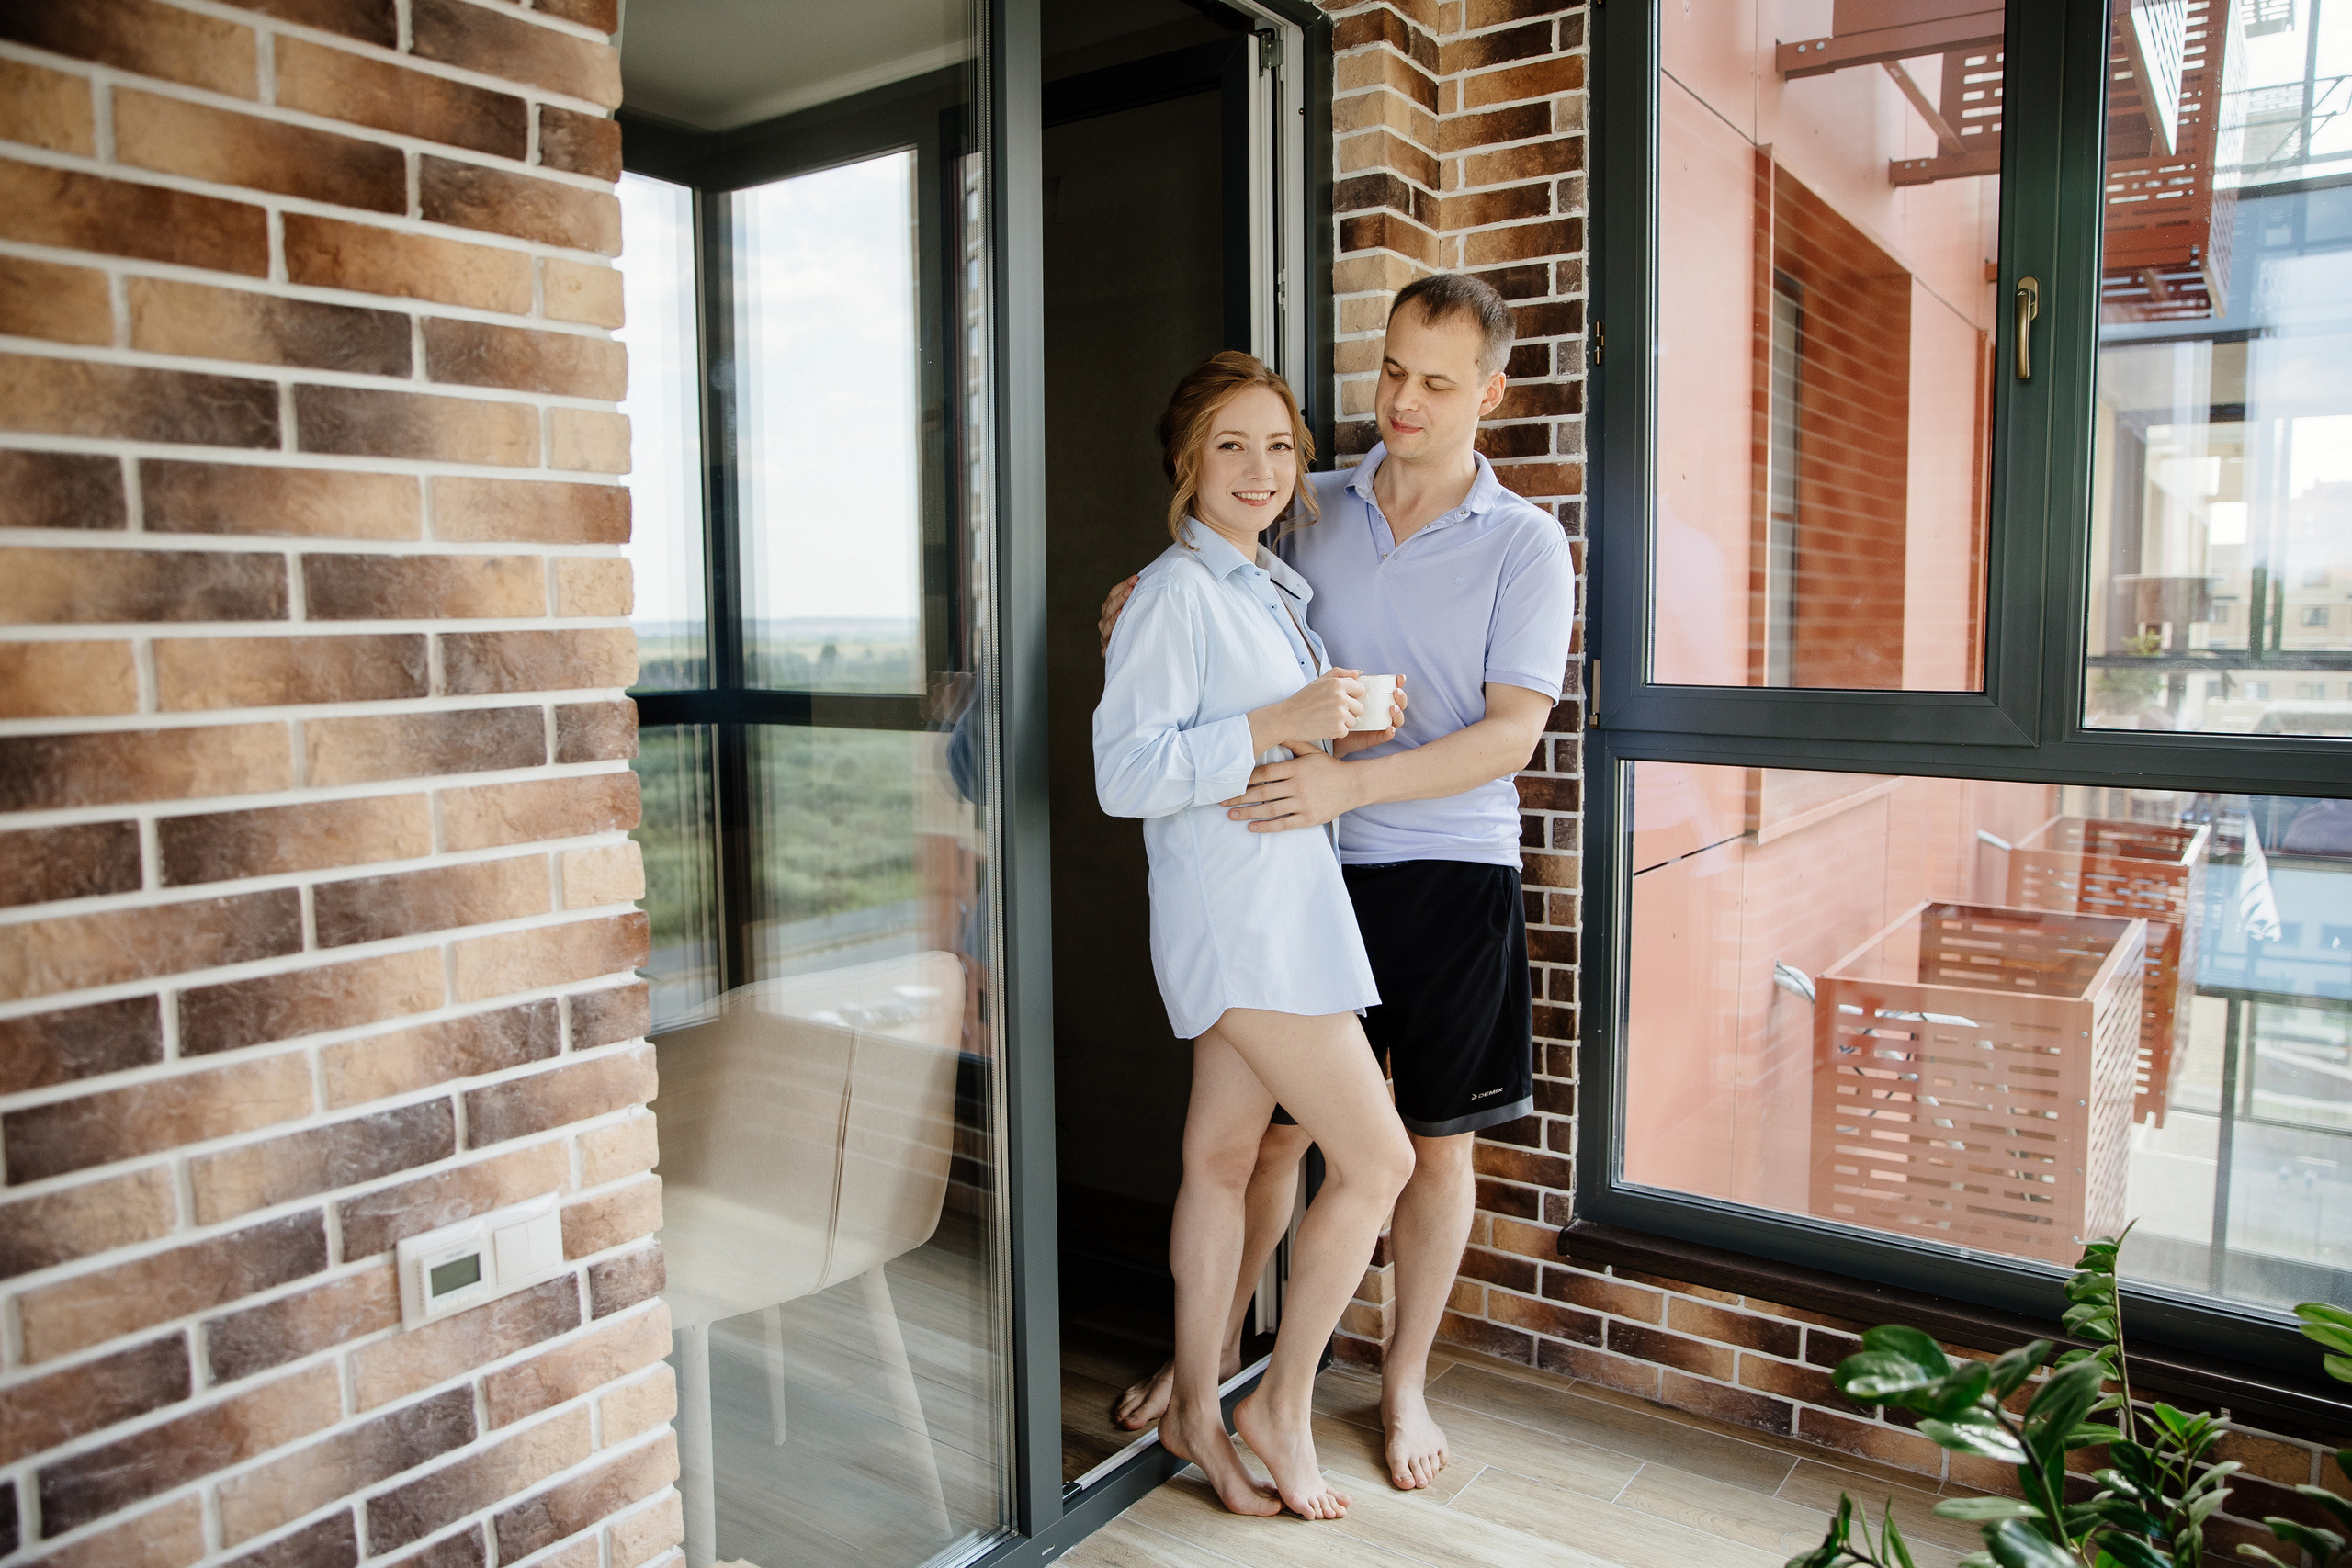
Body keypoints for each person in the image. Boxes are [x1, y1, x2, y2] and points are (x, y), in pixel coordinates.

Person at [1101, 274, 1577, 1493]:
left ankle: (1398, 1378)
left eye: (1436, 380)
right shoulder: (1312, 506)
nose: (1405, 400)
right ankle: (1212, 1379)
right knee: (1262, 1148)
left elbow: (1510, 737)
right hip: (1296, 874)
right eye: (1393, 370)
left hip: (1444, 869)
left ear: (1489, 391)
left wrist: (1339, 774)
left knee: (1430, 1141)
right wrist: (1140, 602)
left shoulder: (1524, 541)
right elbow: (1205, 583)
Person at [1094, 350, 1418, 1520]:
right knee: (1381, 1161)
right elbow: (1122, 774)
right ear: (1188, 460)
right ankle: (1276, 1404)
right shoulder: (1175, 594)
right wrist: (1279, 720)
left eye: (1279, 446)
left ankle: (1193, 1404)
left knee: (1222, 1165)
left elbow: (1252, 743)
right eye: (1232, 444)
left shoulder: (1258, 586)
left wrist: (1325, 729)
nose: (1261, 468)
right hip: (1244, 928)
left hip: (1276, 910)